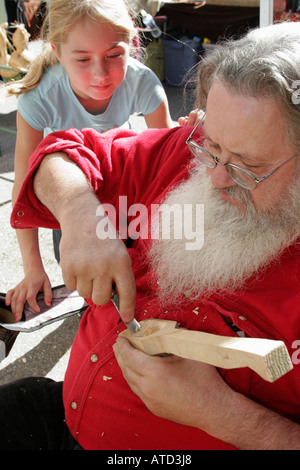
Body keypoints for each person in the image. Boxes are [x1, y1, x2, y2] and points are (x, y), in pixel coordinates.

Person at [2, 21, 300, 450]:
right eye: (211, 146)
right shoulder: (184, 149)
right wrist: (81, 215)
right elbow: (62, 155)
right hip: (67, 420)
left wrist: (225, 417)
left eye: (247, 166)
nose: (215, 178)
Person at [4, 0, 174, 320]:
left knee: (129, 258)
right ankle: (94, 313)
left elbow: (168, 158)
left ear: (132, 45)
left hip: (122, 181)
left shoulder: (143, 82)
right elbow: (24, 185)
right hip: (67, 186)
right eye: (82, 59)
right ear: (57, 52)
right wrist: (32, 268)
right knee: (84, 268)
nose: (100, 74)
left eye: (114, 55)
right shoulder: (39, 97)